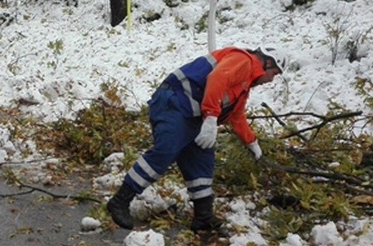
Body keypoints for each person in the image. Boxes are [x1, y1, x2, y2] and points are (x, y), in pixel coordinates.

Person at [106, 46, 288, 233]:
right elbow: (217, 78)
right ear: (267, 62)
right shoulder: (244, 61)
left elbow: (236, 116)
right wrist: (211, 116)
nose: (271, 80)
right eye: (274, 73)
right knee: (166, 151)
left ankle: (203, 216)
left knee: (201, 160)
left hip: (192, 113)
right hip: (175, 102)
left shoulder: (244, 84)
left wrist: (251, 142)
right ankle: (120, 201)